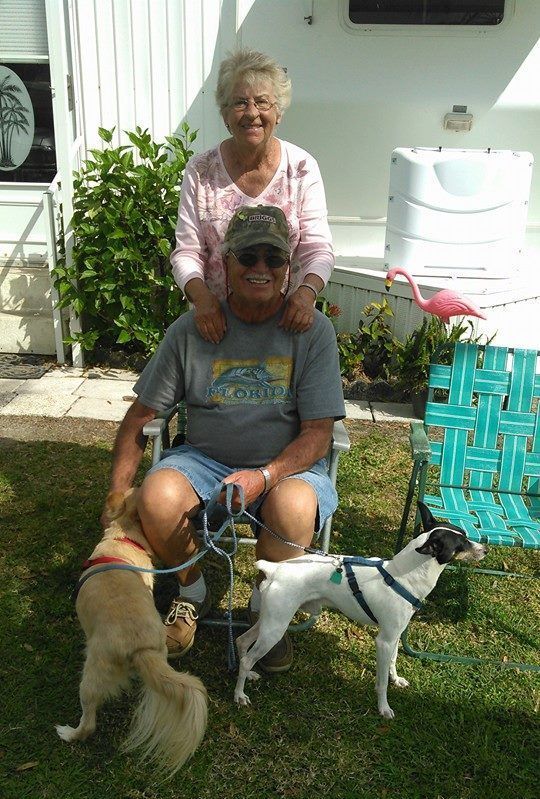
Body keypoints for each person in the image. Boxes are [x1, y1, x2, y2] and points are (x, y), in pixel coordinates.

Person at [106, 205, 345, 673]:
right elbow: (141, 416)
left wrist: (264, 476)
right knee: (155, 497)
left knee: (294, 506)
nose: (260, 269)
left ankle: (265, 608)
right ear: (225, 265)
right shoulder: (193, 330)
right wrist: (116, 495)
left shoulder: (311, 331)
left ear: (288, 268)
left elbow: (318, 434)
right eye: (247, 257)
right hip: (204, 461)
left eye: (272, 259)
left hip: (284, 468)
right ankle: (191, 590)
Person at [171, 48, 334, 344]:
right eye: (239, 103)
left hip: (286, 323)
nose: (252, 113)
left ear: (278, 113)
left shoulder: (301, 168)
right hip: (215, 325)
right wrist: (203, 301)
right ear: (224, 115)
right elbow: (187, 251)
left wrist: (306, 295)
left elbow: (318, 249)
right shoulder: (200, 170)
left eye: (262, 102)